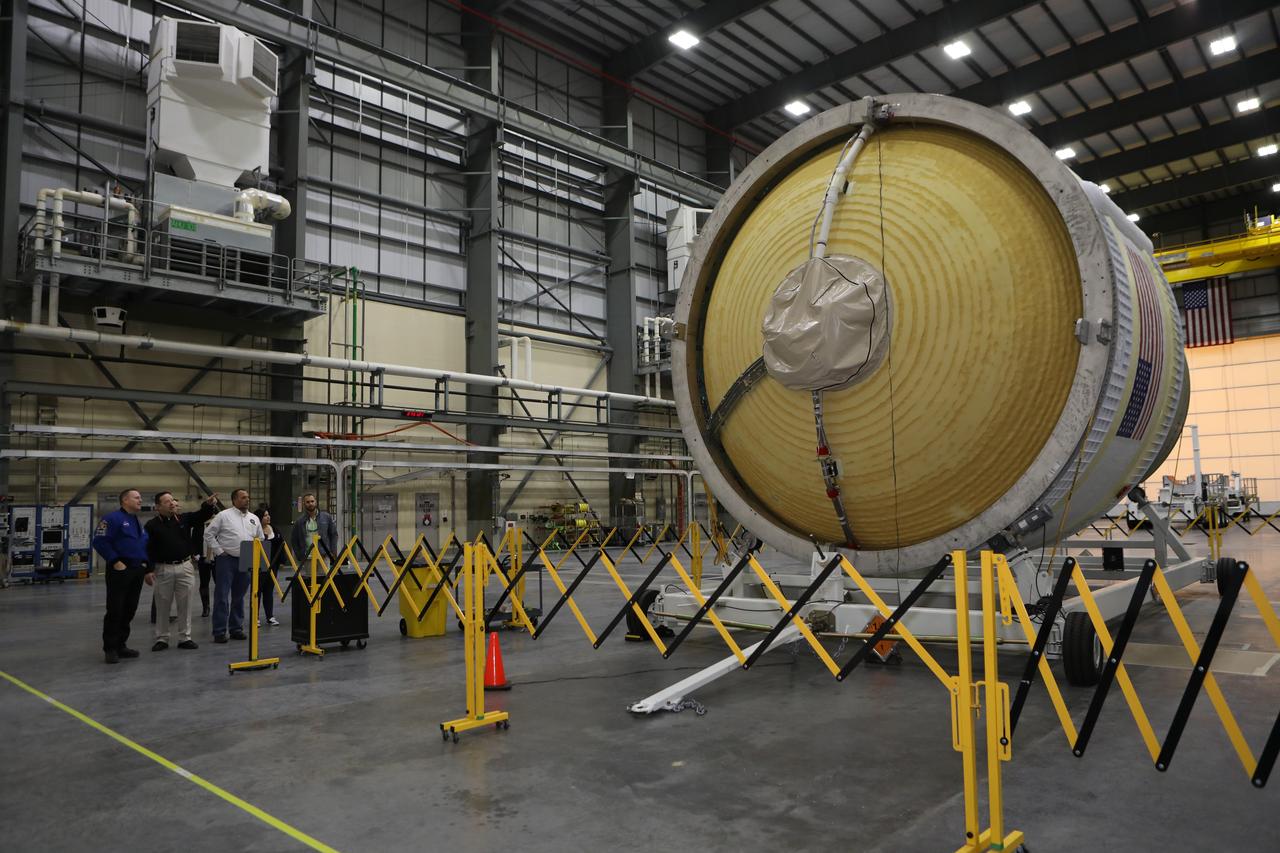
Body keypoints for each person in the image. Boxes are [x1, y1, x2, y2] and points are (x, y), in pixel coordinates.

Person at [143, 492, 218, 651]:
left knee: (185, 604)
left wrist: (208, 504)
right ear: (158, 506)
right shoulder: (151, 525)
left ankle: (185, 637)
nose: (171, 503)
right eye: (167, 501)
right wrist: (148, 570)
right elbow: (148, 549)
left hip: (185, 567)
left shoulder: (183, 519)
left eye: (172, 500)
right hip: (163, 568)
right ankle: (162, 638)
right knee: (163, 605)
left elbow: (201, 515)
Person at [92, 488, 152, 664]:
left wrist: (146, 568)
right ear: (125, 500)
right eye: (137, 497)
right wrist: (115, 561)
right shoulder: (112, 519)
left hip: (136, 570)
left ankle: (121, 644)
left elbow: (142, 546)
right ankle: (110, 648)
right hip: (120, 569)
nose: (140, 500)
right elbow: (100, 541)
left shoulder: (136, 521)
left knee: (129, 609)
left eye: (140, 497)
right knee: (115, 609)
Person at [203, 488, 263, 643]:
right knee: (222, 596)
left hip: (246, 559)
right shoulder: (224, 516)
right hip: (226, 560)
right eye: (243, 497)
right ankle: (219, 631)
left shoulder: (254, 518)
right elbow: (208, 534)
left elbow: (260, 538)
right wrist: (219, 550)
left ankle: (236, 628)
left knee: (239, 596)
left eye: (248, 497)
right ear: (234, 500)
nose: (247, 500)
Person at [289, 493, 339, 565]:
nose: (310, 504)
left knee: (325, 576)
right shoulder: (299, 521)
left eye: (312, 501)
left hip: (324, 555)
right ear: (304, 504)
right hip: (307, 557)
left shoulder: (326, 517)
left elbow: (334, 535)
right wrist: (299, 555)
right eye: (308, 502)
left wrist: (332, 551)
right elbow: (294, 539)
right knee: (309, 576)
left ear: (315, 502)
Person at [253, 503, 281, 626]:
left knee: (269, 591)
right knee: (257, 591)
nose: (268, 517)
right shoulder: (255, 531)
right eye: (265, 516)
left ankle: (270, 616)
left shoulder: (274, 529)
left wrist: (281, 561)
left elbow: (281, 544)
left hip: (273, 565)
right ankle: (256, 617)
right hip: (259, 566)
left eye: (268, 515)